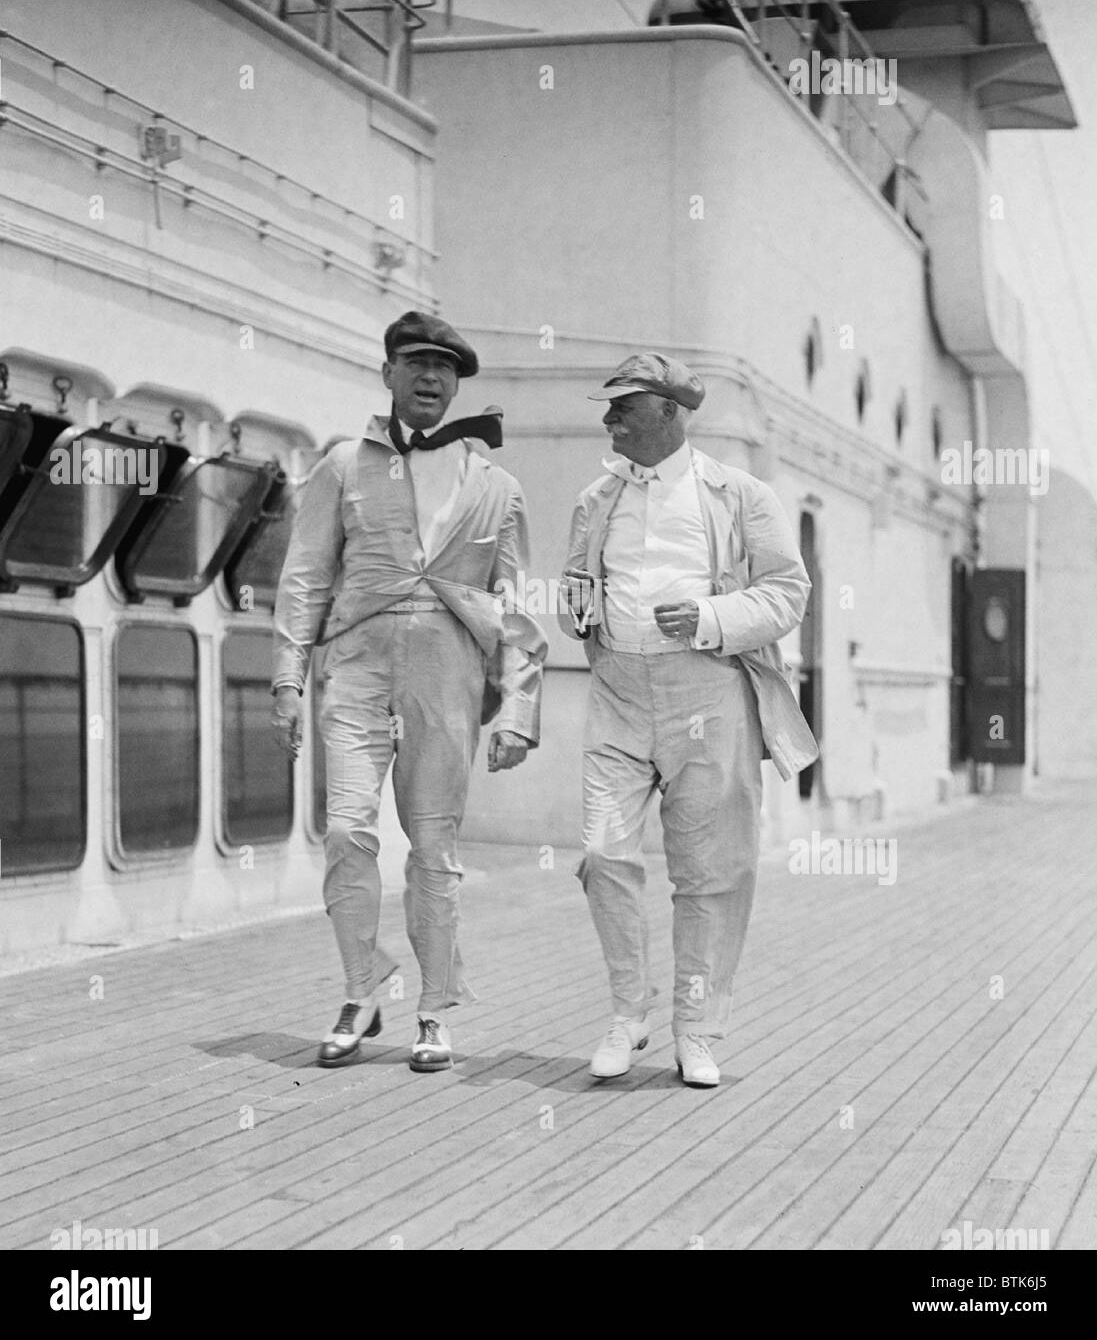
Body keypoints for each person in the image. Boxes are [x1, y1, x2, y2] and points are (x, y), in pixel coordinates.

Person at [272, 311, 545, 1073]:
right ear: (388, 372)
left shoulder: (497, 487)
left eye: (445, 369)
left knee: (432, 848)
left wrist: (518, 710)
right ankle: (362, 990)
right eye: (416, 363)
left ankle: (433, 1008)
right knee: (347, 833)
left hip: (446, 673)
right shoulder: (341, 465)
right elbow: (304, 578)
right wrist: (286, 681)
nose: (430, 378)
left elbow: (517, 606)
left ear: (457, 385)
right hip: (355, 665)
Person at [559, 353, 817, 1087]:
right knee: (603, 851)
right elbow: (577, 584)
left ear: (669, 413)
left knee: (711, 873)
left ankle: (696, 1029)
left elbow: (786, 594)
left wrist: (708, 616)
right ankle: (626, 1013)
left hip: (707, 692)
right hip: (616, 690)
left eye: (622, 407)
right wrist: (576, 609)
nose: (607, 419)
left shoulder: (741, 496)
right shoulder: (595, 499)